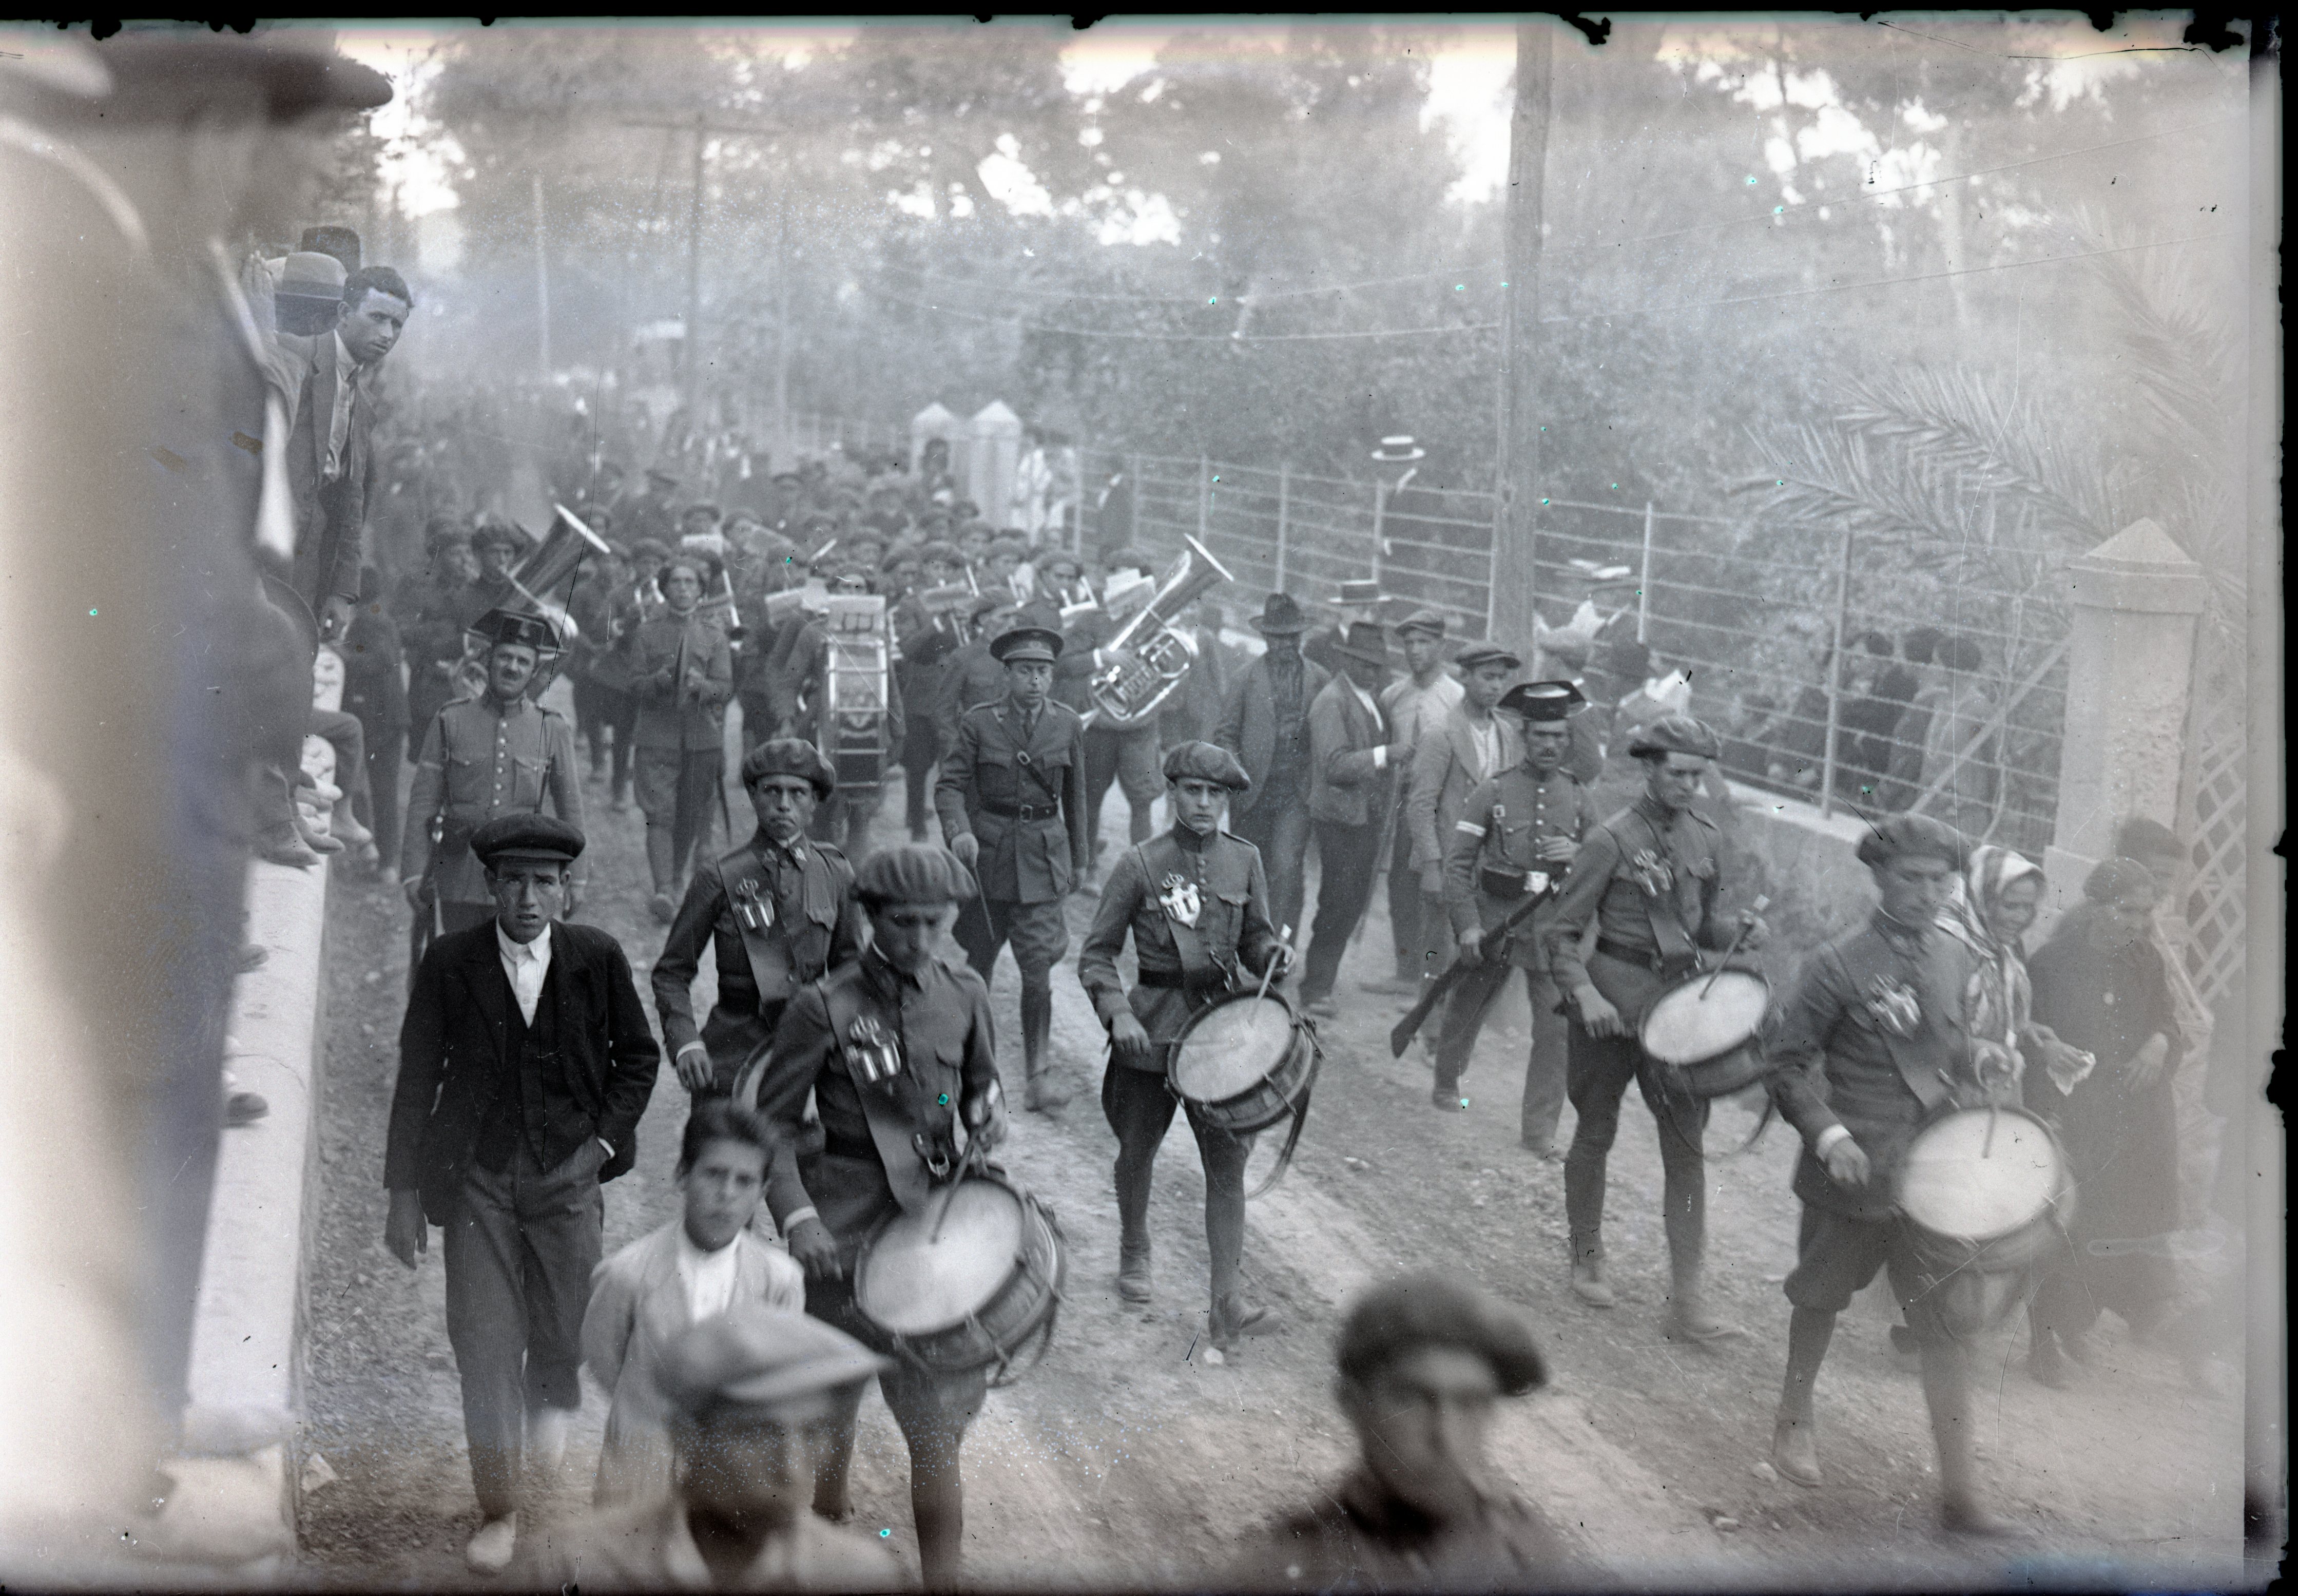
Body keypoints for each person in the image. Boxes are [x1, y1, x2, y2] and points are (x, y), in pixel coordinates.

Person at [384, 815, 662, 1572]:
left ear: (567, 889)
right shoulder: (451, 960)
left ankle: (550, 1411)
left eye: (544, 883)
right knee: (483, 1341)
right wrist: (403, 1191)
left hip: (567, 1176)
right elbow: (417, 1076)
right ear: (490, 886)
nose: (529, 899)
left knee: (567, 1329)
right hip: (476, 1180)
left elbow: (638, 1058)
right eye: (513, 882)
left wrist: (600, 1146)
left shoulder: (596, 958)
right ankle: (500, 1506)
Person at [733, 844, 1009, 1593]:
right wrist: (798, 1218)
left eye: (934, 923)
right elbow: (770, 1129)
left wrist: (983, 1113)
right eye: (904, 923)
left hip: (927, 1234)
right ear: (871, 918)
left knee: (933, 1427)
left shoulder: (966, 993)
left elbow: (977, 1089)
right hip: (840, 1231)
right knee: (830, 1406)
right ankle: (825, 1527)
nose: (920, 939)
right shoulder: (822, 1006)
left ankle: (942, 1581)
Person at [1763, 814, 2031, 1537]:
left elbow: (1946, 1047)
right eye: (1911, 878)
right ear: (1879, 878)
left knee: (1945, 1326)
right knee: (1819, 1298)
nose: (1928, 893)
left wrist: (1982, 1057)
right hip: (1854, 1169)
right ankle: (1794, 1418)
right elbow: (1785, 1066)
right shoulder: (1836, 964)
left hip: (1933, 1172)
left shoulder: (1952, 954)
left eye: (1940, 880)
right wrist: (1830, 1136)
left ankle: (1960, 1496)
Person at [1543, 714, 1766, 1338]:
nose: (1689, 786)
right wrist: (1585, 994)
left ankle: (1687, 1301)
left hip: (1679, 1014)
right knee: (1595, 1129)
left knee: (1686, 1149)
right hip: (1611, 1007)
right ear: (1649, 768)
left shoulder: (1706, 838)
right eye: (1678, 773)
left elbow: (1704, 928)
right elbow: (1559, 935)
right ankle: (1587, 1257)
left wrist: (1739, 930)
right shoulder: (1608, 841)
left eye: (1698, 775)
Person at [1076, 742, 1291, 1355]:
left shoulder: (1244, 860)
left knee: (1227, 1166)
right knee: (1136, 1150)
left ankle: (1227, 1301)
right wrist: (1118, 1014)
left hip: (1220, 1035)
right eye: (1193, 791)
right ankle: (1134, 1247)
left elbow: (1256, 939)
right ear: (1171, 791)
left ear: (1225, 800)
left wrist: (1272, 955)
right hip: (1151, 1034)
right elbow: (1096, 955)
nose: (1203, 803)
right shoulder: (1140, 863)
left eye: (1215, 794)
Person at [1230, 1274, 1580, 1592]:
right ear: (1353, 1403)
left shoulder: (1531, 1552)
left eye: (1470, 1403)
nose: (1446, 1437)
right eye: (1412, 1400)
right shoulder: (1285, 1573)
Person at [530, 1305, 904, 1591]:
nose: (790, 1465)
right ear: (687, 1437)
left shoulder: (860, 1576)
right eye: (761, 1434)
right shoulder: (569, 1568)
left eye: (811, 1434)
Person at [580, 1101, 806, 1509]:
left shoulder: (779, 1279)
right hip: (640, 1471)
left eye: (745, 1181)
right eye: (714, 1174)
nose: (727, 1194)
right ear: (683, 1175)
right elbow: (605, 1359)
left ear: (763, 1192)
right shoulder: (627, 1273)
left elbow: (778, 1373)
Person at [2023, 857, 2188, 1387]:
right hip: (2078, 1116)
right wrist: (2050, 1057)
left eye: (2145, 912)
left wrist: (2159, 1042)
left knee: (2112, 1229)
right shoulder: (2052, 963)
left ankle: (2073, 1323)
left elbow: (2167, 1019)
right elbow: (2030, 1037)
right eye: (2126, 910)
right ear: (2095, 906)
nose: (2138, 923)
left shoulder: (2146, 960)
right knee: (2065, 1227)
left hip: (2134, 1121)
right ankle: (2041, 1341)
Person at [1433, 683, 1599, 1149]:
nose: (1550, 744)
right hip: (1497, 923)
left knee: (1556, 1029)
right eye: (1541, 735)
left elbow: (1603, 867)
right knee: (1469, 1005)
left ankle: (1539, 1129)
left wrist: (1579, 852)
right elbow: (1458, 864)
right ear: (1525, 736)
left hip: (1552, 933)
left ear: (1568, 740)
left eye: (1559, 736)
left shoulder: (1580, 798)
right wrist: (1468, 925)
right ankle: (1447, 1080)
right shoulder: (1493, 790)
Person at [653, 739, 865, 1100]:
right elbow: (672, 972)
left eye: (798, 793)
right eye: (772, 791)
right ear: (753, 796)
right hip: (734, 1046)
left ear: (814, 802)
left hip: (811, 1050)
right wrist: (686, 1041)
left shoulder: (835, 873)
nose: (784, 804)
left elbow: (850, 968)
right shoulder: (719, 877)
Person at [936, 623, 1091, 1111]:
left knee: (1037, 969)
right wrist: (958, 831)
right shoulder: (979, 723)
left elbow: (1076, 798)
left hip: (1043, 859)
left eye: (1043, 671)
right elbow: (949, 785)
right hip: (989, 857)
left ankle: (1038, 1076)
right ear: (1007, 674)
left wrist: (1080, 860)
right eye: (1025, 670)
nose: (1035, 680)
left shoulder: (1067, 724)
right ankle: (967, 1063)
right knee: (980, 961)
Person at [399, 608, 585, 952]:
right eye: (504, 657)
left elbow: (570, 809)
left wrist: (578, 878)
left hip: (524, 882)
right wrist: (413, 871)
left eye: (522, 661)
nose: (512, 667)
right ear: (488, 660)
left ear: (534, 671)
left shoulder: (552, 728)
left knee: (516, 969)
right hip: (460, 875)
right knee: (463, 966)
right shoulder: (450, 720)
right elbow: (423, 802)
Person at [285, 264, 412, 642]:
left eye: (397, 325)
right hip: (258, 558)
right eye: (378, 318)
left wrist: (341, 592)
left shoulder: (364, 402)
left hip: (309, 570)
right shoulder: (294, 356)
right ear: (343, 313)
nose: (387, 335)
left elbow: (351, 500)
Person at [1298, 622, 1407, 1017]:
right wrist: (1385, 755)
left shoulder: (1371, 700)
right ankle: (1315, 988)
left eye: (1377, 665)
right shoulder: (1331, 701)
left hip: (1364, 818)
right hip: (1338, 818)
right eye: (1363, 663)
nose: (1371, 671)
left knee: (1351, 901)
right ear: (1345, 660)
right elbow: (1333, 765)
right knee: (1337, 902)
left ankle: (1322, 980)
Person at [1405, 641, 1524, 1001]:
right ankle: (1428, 1021)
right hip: (1448, 860)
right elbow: (1421, 805)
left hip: (1488, 865)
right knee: (1436, 951)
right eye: (1487, 677)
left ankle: (1458, 1021)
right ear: (1465, 676)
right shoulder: (1441, 733)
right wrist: (1431, 865)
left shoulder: (1506, 733)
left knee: (1477, 950)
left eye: (1501, 679)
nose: (1495, 686)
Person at [1215, 593, 1330, 937]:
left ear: (1301, 637)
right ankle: (1238, 940)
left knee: (1285, 867)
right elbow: (1225, 734)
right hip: (1252, 792)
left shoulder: (1319, 679)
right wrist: (1237, 774)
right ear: (1266, 637)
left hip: (1295, 793)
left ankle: (1275, 945)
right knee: (1246, 869)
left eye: (1293, 637)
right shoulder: (1245, 677)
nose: (1286, 644)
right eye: (1278, 637)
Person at [631, 555, 736, 921]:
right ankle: (664, 888)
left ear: (701, 590)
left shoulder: (714, 634)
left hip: (700, 738)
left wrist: (702, 686)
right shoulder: (647, 632)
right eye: (676, 581)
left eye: (690, 582)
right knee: (659, 814)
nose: (683, 588)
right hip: (656, 737)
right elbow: (634, 684)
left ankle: (676, 877)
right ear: (665, 588)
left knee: (690, 814)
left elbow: (725, 688)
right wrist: (657, 681)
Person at [1374, 608, 1464, 995]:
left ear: (1442, 646)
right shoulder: (1393, 695)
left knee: (1438, 888)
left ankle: (1435, 977)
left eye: (1424, 642)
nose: (1415, 650)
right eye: (1409, 643)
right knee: (1400, 886)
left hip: (1445, 806)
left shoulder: (1458, 698)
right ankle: (1406, 972)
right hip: (1403, 804)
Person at [340, 565, 409, 879]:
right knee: (382, 790)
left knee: (376, 789)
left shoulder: (369, 620)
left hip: (380, 719)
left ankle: (382, 859)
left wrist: (343, 656)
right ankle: (383, 859)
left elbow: (380, 660)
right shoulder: (379, 615)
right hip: (388, 716)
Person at [1303, 576, 1385, 676]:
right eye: (1362, 610)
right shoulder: (1317, 647)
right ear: (1342, 610)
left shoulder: (1377, 649)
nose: (1368, 618)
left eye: (1373, 611)